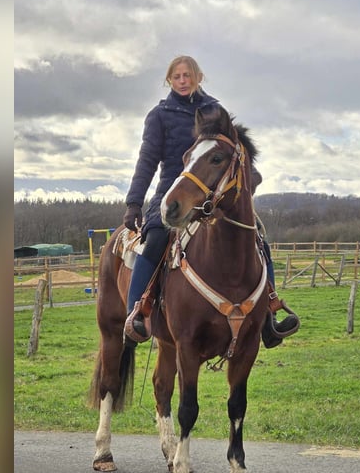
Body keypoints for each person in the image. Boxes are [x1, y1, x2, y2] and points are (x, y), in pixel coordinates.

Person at [123, 55, 298, 347]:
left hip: (216, 194)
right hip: (174, 191)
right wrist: (134, 202)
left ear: (198, 77)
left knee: (257, 239)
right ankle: (137, 313)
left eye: (187, 75)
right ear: (169, 80)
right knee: (154, 240)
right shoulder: (159, 115)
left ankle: (269, 313)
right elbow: (147, 161)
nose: (182, 80)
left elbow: (234, 150)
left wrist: (251, 176)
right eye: (176, 76)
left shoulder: (215, 110)